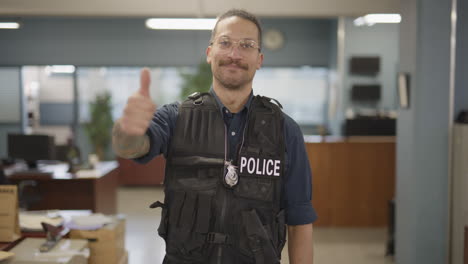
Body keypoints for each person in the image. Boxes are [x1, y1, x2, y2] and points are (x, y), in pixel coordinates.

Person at [112, 9, 317, 264]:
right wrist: (128, 131)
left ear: (259, 59)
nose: (234, 54)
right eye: (225, 43)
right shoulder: (176, 117)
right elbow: (133, 146)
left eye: (247, 45)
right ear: (210, 53)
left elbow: (299, 221)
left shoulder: (285, 130)